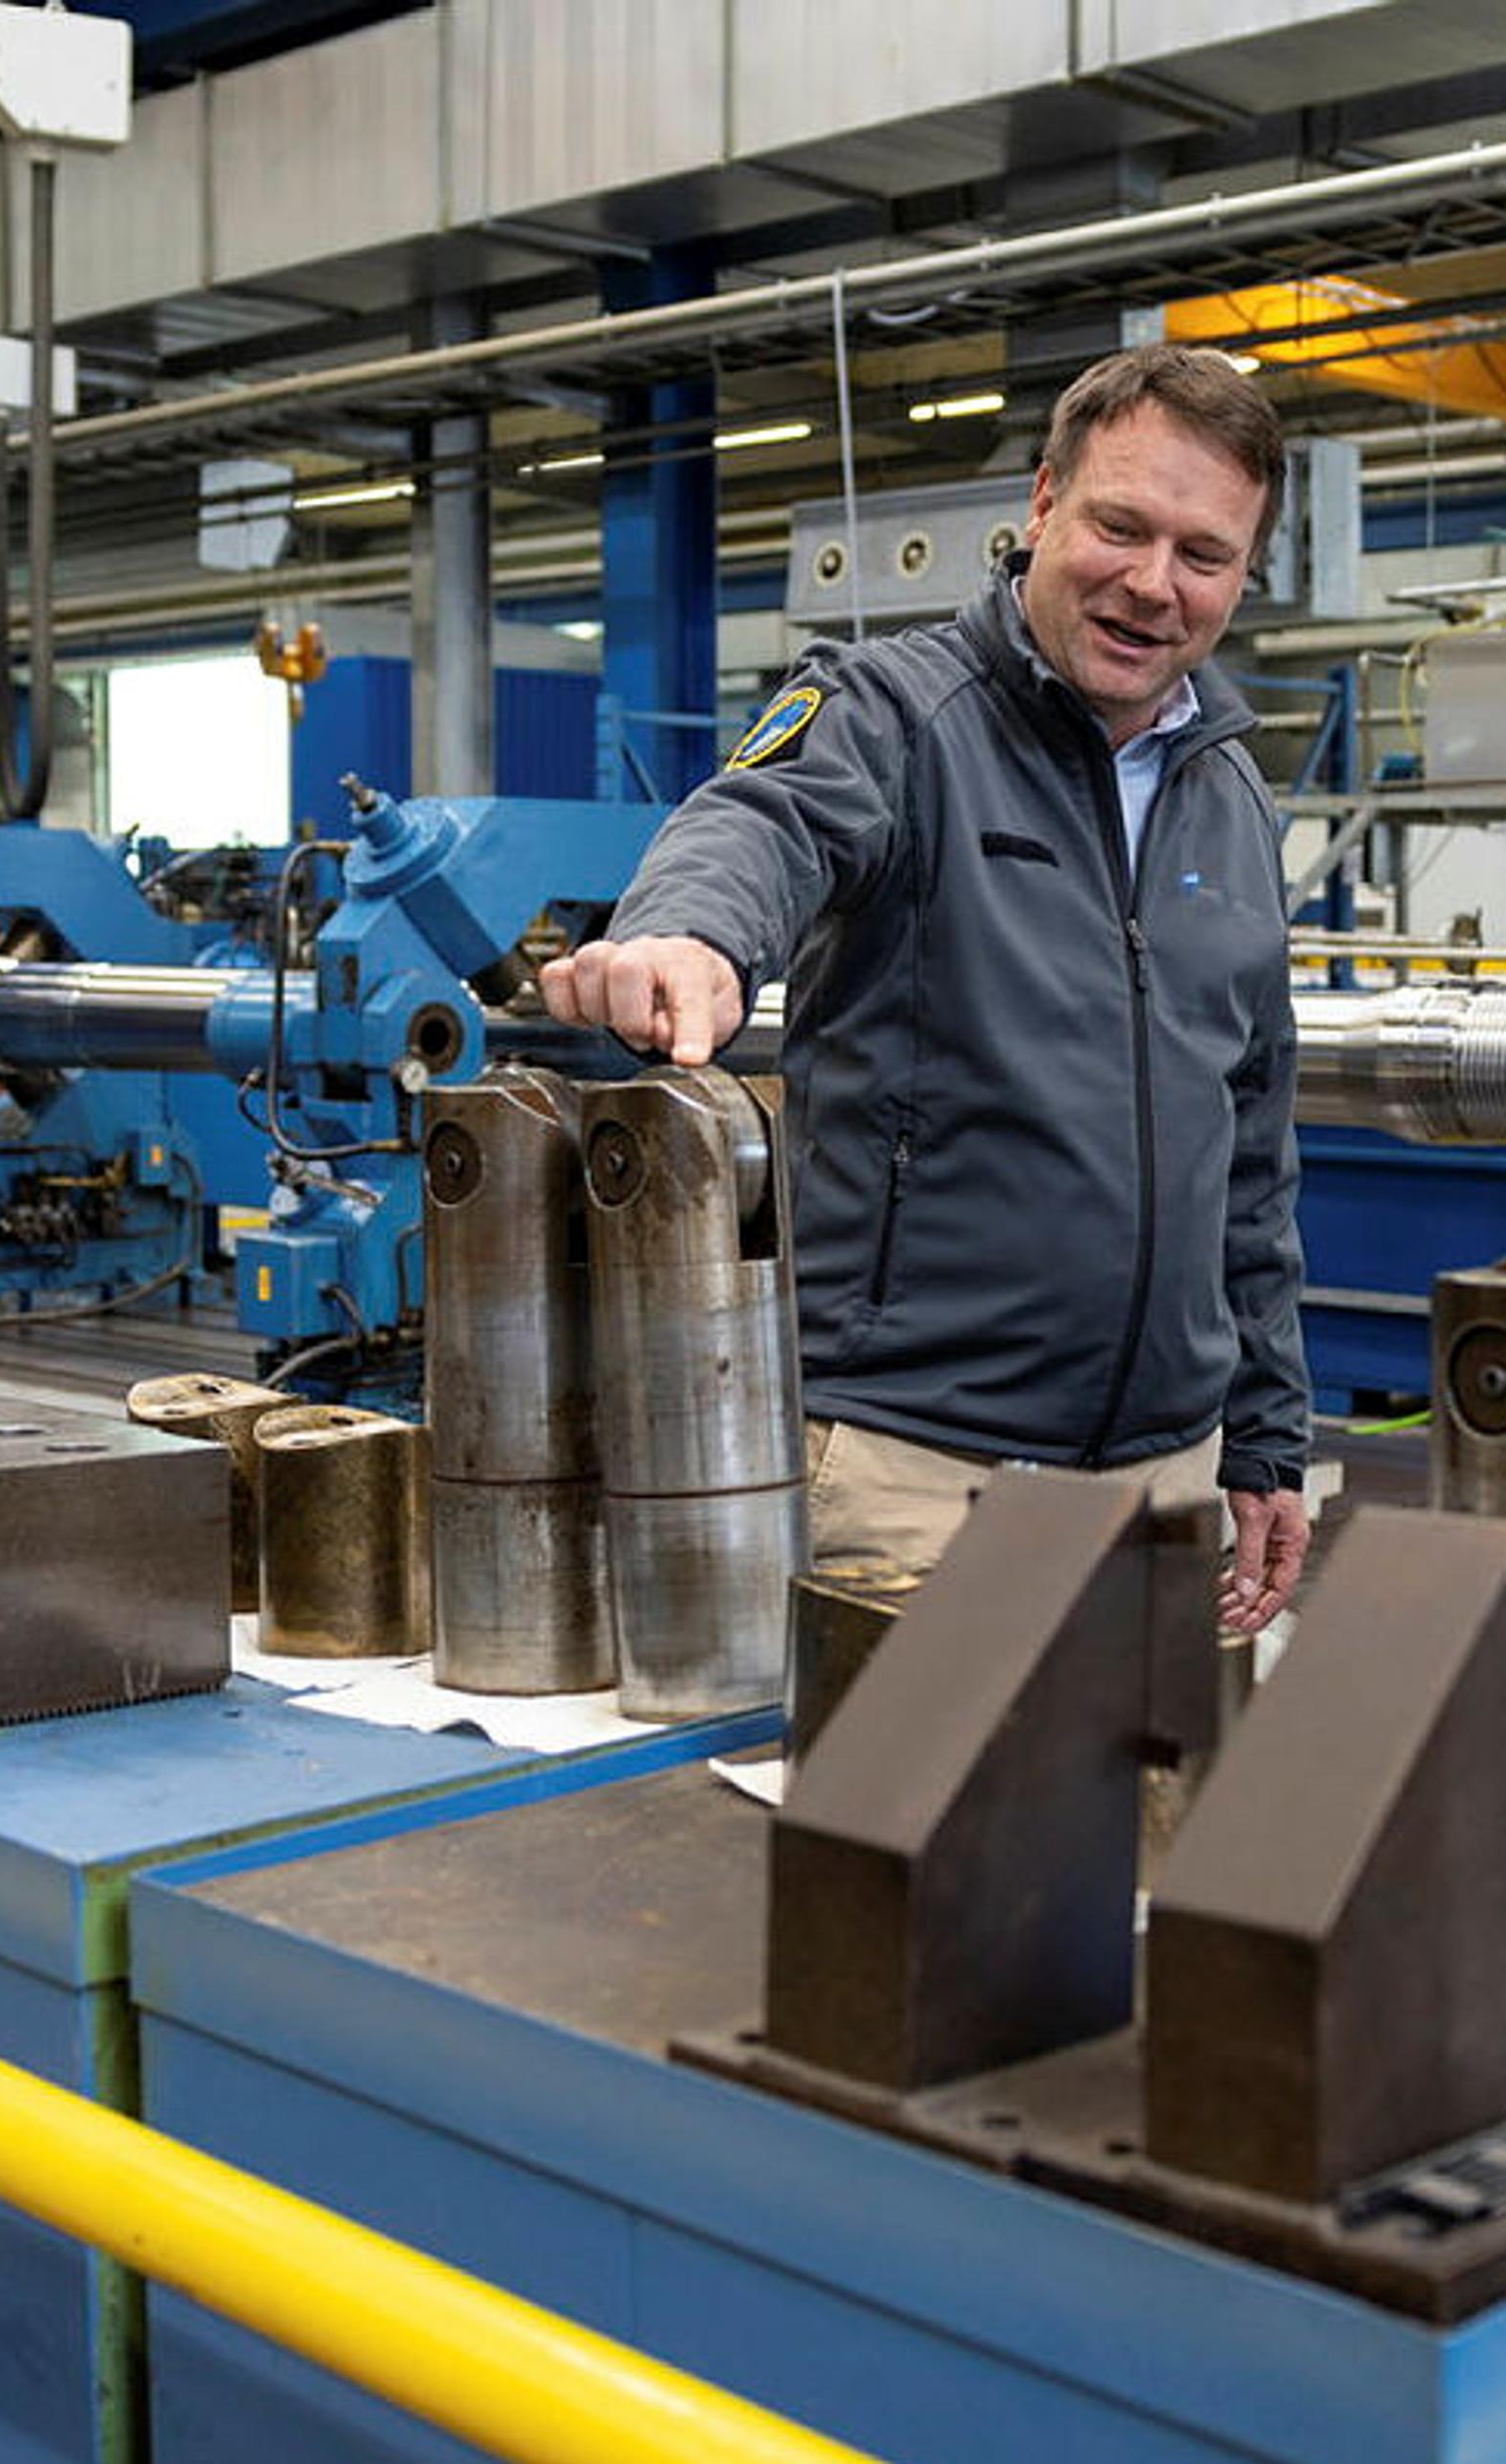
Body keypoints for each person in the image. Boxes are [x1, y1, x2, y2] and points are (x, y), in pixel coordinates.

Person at [542, 344, 1313, 1632]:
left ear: (1244, 573)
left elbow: (1252, 1155)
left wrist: (1268, 1436)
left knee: (1158, 1830)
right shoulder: (893, 716)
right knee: (886, 1830)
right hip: (914, 1469)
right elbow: (760, 822)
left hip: (1166, 1477)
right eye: (1121, 527)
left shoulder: (1231, 797)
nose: (1153, 585)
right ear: (1043, 506)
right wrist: (692, 940)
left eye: (1204, 555)